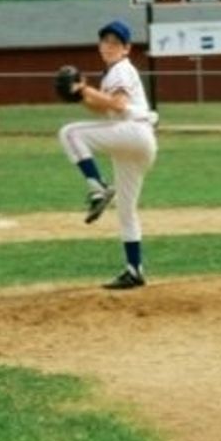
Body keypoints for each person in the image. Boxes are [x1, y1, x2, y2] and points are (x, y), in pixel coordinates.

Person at [57, 19, 158, 290]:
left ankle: (98, 187)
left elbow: (119, 104)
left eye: (116, 42)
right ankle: (134, 269)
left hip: (133, 133)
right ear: (100, 46)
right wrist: (81, 96)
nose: (109, 46)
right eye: (105, 41)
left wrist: (84, 89)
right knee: (126, 210)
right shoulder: (113, 74)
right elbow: (104, 110)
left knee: (69, 134)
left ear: (126, 49)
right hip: (138, 143)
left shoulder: (122, 69)